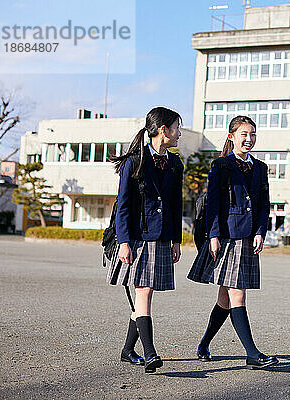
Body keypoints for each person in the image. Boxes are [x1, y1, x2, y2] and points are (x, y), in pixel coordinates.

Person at [188, 115, 278, 370]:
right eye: (244, 135)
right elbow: (213, 204)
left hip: (249, 237)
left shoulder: (260, 168)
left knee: (225, 299)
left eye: (252, 134)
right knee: (237, 293)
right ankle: (252, 353)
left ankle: (204, 343)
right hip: (226, 236)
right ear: (232, 137)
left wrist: (261, 231)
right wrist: (213, 235)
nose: (249, 139)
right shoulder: (221, 165)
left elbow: (263, 204)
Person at [107, 107, 184, 373]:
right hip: (138, 238)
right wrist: (124, 242)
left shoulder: (175, 164)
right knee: (144, 292)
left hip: (162, 237)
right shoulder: (134, 161)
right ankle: (150, 353)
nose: (179, 133)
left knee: (144, 294)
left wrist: (177, 240)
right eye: (176, 127)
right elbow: (124, 205)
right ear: (163, 130)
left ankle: (128, 350)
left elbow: (175, 205)